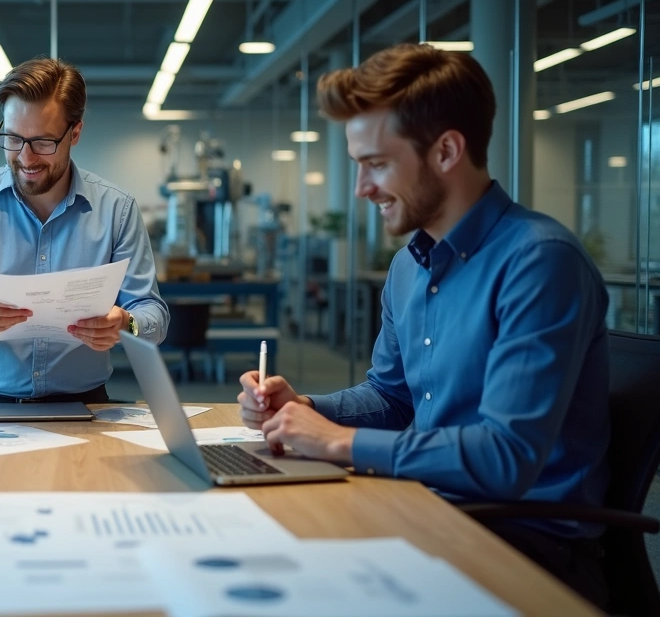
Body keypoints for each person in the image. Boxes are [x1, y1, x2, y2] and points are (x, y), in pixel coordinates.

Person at [236, 44, 610, 607]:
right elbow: (393, 397)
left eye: (377, 163)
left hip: (522, 538)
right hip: (426, 504)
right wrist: (310, 408)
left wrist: (341, 443)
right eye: (358, 165)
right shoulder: (409, 265)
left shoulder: (539, 261)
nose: (361, 188)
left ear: (446, 151)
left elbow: (505, 457)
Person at [0, 57, 169, 404]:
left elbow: (152, 315)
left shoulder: (116, 209)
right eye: (13, 139)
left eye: (43, 142)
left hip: (84, 405)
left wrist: (127, 325)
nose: (26, 158)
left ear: (75, 133)